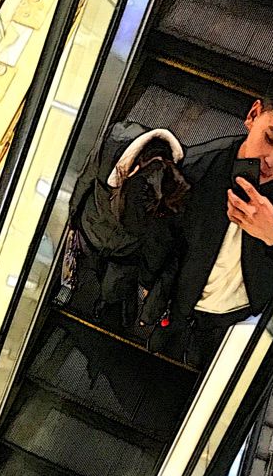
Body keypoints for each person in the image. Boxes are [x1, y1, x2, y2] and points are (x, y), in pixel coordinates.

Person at [147, 49, 273, 369]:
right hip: (180, 305)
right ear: (253, 115)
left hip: (239, 317)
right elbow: (162, 242)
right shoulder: (199, 168)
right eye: (271, 138)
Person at [68, 123, 188, 327]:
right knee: (96, 269)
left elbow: (161, 240)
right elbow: (86, 179)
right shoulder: (113, 144)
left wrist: (148, 279)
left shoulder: (174, 186)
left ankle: (117, 308)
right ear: (131, 172)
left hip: (126, 254)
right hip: (92, 231)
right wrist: (73, 217)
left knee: (113, 289)